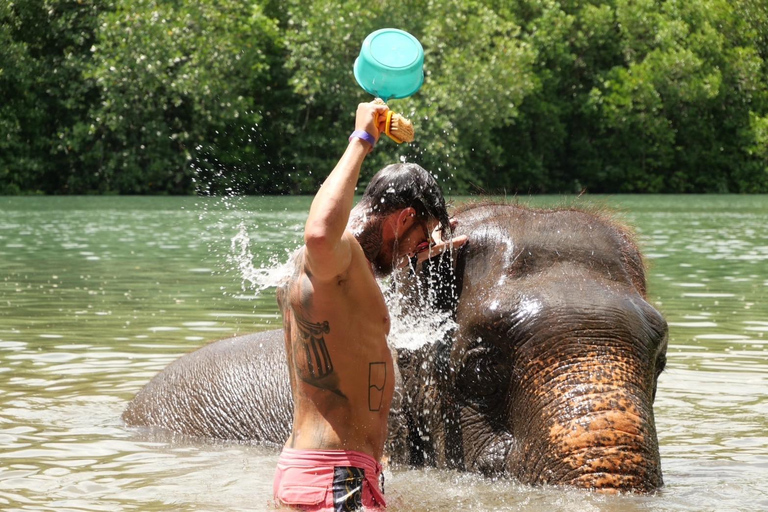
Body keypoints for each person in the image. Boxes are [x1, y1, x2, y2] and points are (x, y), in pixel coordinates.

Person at [273, 100, 467, 511]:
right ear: (403, 218)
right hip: (337, 480)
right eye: (422, 235)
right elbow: (321, 234)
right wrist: (362, 139)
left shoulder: (328, 275)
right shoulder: (336, 252)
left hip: (313, 472)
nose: (420, 249)